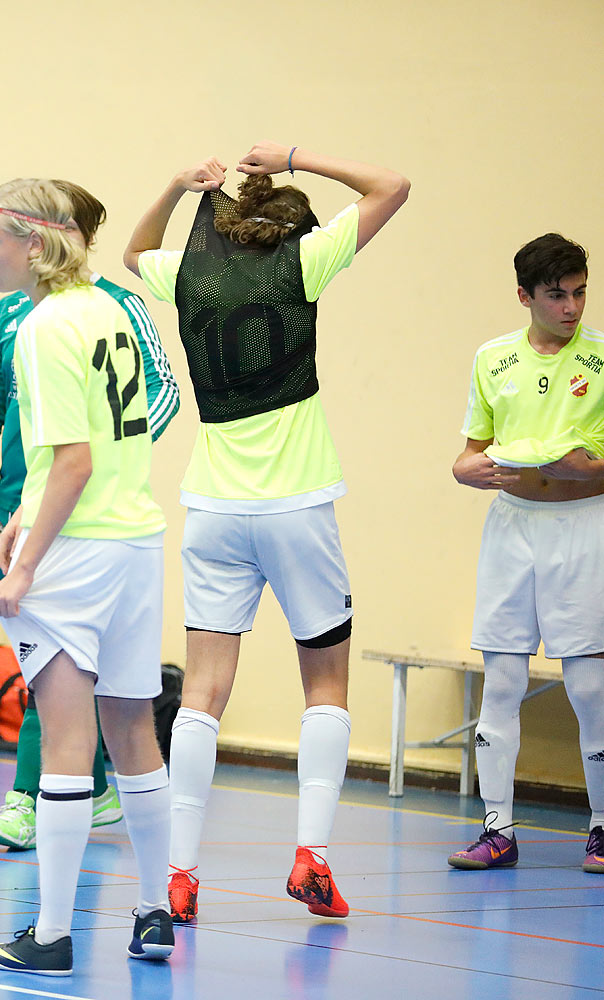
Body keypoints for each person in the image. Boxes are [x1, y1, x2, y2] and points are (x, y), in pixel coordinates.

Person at [122, 142, 410, 923]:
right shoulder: (303, 262)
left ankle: (179, 874)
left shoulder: (185, 273)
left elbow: (133, 248)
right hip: (297, 504)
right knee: (326, 685)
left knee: (204, 695)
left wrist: (177, 183)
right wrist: (295, 154)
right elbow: (394, 181)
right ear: (289, 229)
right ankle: (311, 858)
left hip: (211, 507)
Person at [0, 179, 173, 976]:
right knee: (134, 736)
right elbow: (95, 446)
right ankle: (155, 912)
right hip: (135, 542)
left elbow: (73, 463)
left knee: (65, 742)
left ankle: (51, 934)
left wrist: (22, 564)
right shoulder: (108, 308)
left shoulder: (44, 326)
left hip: (76, 556)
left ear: (32, 242)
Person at [448, 234, 604, 873]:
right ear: (525, 297)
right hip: (511, 530)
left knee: (590, 685)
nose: (572, 307)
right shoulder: (491, 358)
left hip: (583, 526)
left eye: (580, 292)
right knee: (503, 681)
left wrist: (577, 472)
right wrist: (468, 471)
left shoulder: (601, 357)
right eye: (557, 295)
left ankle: (600, 826)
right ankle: (497, 830)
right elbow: (467, 452)